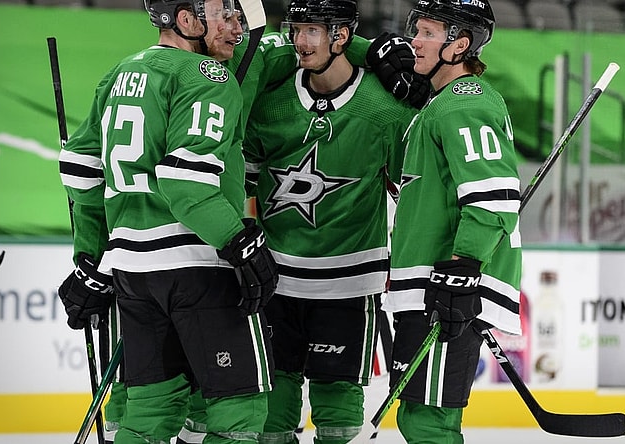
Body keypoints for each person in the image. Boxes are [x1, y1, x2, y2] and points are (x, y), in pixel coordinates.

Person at [57, 1, 278, 443]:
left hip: (133, 276)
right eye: (225, 16)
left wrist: (91, 260)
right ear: (185, 20)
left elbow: (79, 171)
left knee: (149, 412)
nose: (237, 28)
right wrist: (239, 241)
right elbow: (186, 185)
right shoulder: (207, 75)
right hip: (198, 263)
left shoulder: (120, 73)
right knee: (238, 409)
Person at [242, 1, 416, 442]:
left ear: (341, 37)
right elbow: (243, 182)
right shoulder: (272, 103)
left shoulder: (387, 114)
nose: (300, 41)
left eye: (313, 31)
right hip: (275, 281)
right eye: (297, 29)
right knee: (270, 415)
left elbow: (412, 192)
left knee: (338, 420)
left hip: (349, 285)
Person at [383, 0, 523, 442]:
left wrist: (463, 267)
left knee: (429, 422)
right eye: (416, 30)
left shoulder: (465, 102)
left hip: (447, 282)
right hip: (433, 282)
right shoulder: (438, 105)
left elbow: (494, 197)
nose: (414, 42)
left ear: (459, 45)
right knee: (419, 417)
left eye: (427, 33)